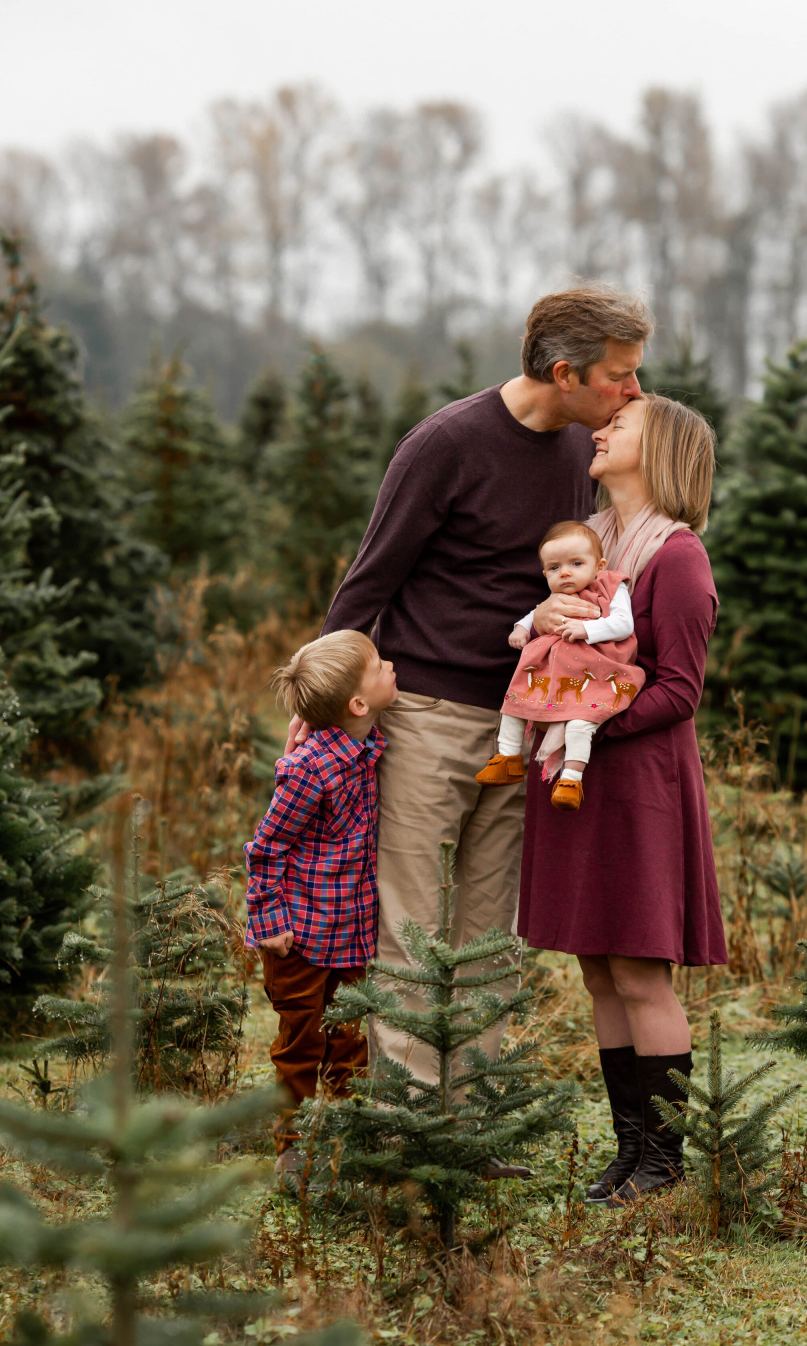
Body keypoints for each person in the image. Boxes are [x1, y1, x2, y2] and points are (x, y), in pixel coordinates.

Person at [285, 284, 653, 1084]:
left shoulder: (574, 455)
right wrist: (319, 705)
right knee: (411, 922)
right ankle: (411, 1125)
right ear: (566, 373)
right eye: (619, 376)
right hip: (427, 716)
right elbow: (370, 577)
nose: (633, 392)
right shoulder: (446, 442)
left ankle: (472, 1121)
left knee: (493, 929)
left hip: (527, 721)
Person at [518, 393, 728, 1206]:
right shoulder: (583, 547)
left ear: (664, 448)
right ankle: (629, 1152)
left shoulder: (676, 557)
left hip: (636, 780)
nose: (598, 433)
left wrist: (588, 724)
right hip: (572, 779)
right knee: (599, 971)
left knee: (641, 973)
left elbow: (679, 689)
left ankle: (665, 1166)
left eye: (620, 426)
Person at [244, 629, 398, 1165]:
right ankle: (290, 1148)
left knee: (350, 1042)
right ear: (358, 703)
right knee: (301, 1044)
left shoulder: (368, 747)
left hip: (351, 933)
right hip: (299, 940)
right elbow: (266, 848)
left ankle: (347, 1140)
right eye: (379, 666)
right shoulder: (308, 768)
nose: (391, 666)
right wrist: (269, 920)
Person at [475, 520, 645, 811]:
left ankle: (571, 778)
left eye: (576, 563)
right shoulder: (557, 597)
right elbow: (533, 614)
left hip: (598, 670)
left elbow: (623, 624)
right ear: (545, 573)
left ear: (599, 565)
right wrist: (520, 629)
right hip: (556, 669)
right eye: (554, 568)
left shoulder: (611, 585)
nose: (565, 572)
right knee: (516, 703)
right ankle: (507, 758)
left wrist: (588, 631)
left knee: (581, 722)